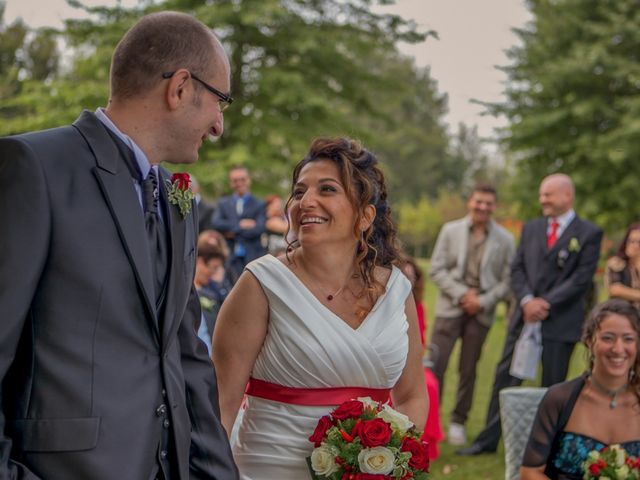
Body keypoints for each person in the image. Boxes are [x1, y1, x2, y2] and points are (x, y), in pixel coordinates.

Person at [0, 12, 238, 480]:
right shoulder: (34, 168)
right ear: (181, 88)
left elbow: (185, 356)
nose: (218, 126)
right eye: (221, 102)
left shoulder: (180, 199)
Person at [213, 137, 428, 478]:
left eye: (327, 190)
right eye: (299, 192)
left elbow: (413, 395)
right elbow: (220, 406)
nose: (306, 202)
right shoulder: (260, 284)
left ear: (364, 215)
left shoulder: (396, 290)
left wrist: (390, 463)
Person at [459, 173, 603, 456]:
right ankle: (488, 441)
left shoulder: (589, 233)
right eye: (541, 194)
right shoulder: (533, 228)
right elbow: (517, 268)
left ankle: (548, 449)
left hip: (559, 322)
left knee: (553, 386)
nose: (542, 200)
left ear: (567, 197)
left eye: (548, 194)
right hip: (523, 318)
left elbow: (581, 279)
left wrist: (544, 303)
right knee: (505, 380)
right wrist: (526, 301)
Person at [429, 183, 515, 445]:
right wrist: (462, 294)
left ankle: (458, 421)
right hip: (450, 307)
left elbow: (508, 280)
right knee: (436, 365)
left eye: (488, 203)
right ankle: (430, 422)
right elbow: (436, 269)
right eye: (479, 201)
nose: (483, 207)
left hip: (481, 311)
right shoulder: (450, 230)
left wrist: (482, 300)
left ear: (494, 206)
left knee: (468, 369)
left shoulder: (506, 239)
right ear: (471, 202)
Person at [520, 299, 640, 479]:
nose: (618, 348)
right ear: (590, 340)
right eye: (608, 338)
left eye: (628, 339)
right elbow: (529, 472)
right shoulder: (559, 399)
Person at [400, 256, 444, 460]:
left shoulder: (417, 307)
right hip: (392, 362)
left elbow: (420, 343)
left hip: (413, 360)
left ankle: (424, 446)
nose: (409, 281)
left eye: (412, 277)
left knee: (431, 386)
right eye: (404, 276)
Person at [212, 166, 267, 281]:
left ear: (249, 180)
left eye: (242, 179)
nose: (239, 183)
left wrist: (231, 232)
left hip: (252, 255)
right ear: (230, 183)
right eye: (235, 180)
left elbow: (259, 229)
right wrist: (240, 225)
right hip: (229, 256)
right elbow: (216, 223)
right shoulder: (223, 203)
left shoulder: (259, 204)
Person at [195, 243, 228, 355]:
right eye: (213, 267)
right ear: (199, 262)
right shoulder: (182, 290)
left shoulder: (212, 292)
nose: (214, 273)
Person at [606, 223, 640, 309]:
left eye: (639, 242)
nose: (634, 245)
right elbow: (615, 290)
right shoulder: (617, 263)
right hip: (623, 312)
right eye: (631, 241)